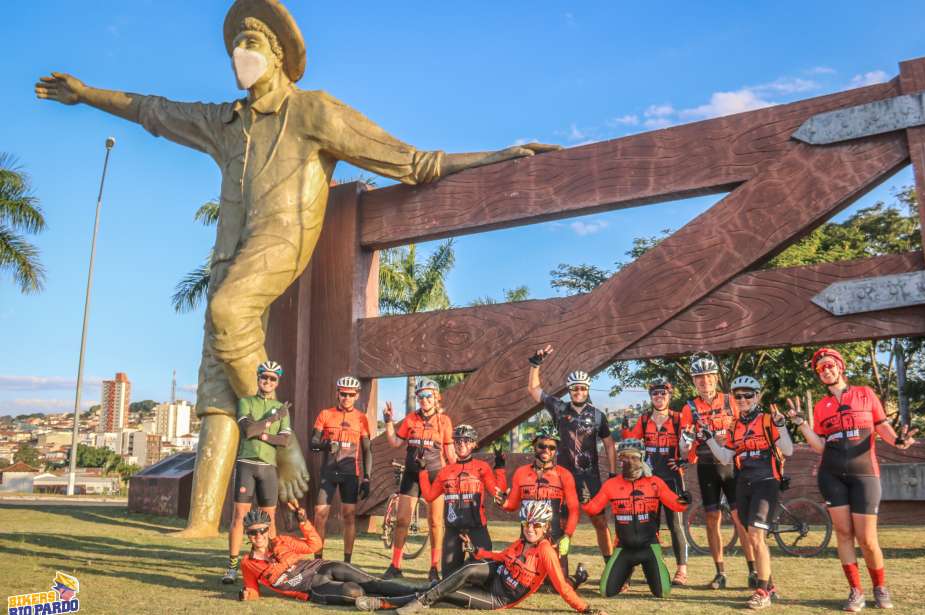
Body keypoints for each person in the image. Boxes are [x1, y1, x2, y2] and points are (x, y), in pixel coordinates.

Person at [35, 0, 559, 538]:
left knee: (227, 310)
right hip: (228, 255)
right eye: (236, 46)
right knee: (218, 389)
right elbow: (154, 110)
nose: (241, 55)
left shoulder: (312, 112)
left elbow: (408, 160)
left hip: (279, 240)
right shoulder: (226, 122)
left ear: (280, 55)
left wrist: (498, 155)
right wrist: (85, 94)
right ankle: (199, 525)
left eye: (253, 43)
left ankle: (282, 448)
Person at [786, 348, 916, 612]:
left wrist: (899, 442)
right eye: (820, 369)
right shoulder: (822, 407)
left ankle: (879, 587)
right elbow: (821, 446)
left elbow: (881, 427)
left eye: (830, 365)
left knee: (867, 539)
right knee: (844, 534)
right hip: (831, 475)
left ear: (840, 367)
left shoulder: (865, 393)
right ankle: (856, 591)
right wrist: (801, 424)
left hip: (865, 475)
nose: (826, 371)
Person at [355, 501, 606, 615]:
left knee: (442, 591)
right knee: (469, 568)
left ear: (545, 528)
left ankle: (385, 603)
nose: (530, 528)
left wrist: (587, 610)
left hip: (499, 596)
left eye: (536, 525)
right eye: (526, 523)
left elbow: (562, 587)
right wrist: (478, 552)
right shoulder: (520, 543)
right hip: (495, 574)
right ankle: (409, 603)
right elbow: (500, 557)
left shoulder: (545, 552)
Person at [702, 375, 794, 610]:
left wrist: (782, 426)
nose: (742, 399)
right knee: (754, 537)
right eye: (738, 396)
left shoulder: (767, 420)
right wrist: (710, 439)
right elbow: (725, 457)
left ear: (758, 396)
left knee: (754, 535)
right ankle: (770, 585)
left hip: (767, 482)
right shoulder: (734, 426)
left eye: (748, 395)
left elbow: (788, 450)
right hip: (744, 483)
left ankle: (762, 591)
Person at [527, 345, 616, 566]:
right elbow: (534, 390)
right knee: (563, 523)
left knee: (600, 522)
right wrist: (535, 364)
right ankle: (559, 569)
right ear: (569, 391)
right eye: (575, 389)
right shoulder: (559, 408)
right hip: (564, 477)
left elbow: (609, 444)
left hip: (591, 477)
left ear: (587, 390)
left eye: (582, 389)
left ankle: (611, 568)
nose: (578, 392)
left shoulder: (598, 415)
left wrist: (613, 473)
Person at [239, 501, 423, 604]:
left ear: (267, 530)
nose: (258, 536)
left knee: (371, 582)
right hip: (312, 587)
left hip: (321, 567)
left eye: (262, 530)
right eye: (253, 532)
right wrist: (247, 595)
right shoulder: (248, 563)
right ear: (248, 534)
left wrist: (304, 522)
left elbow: (315, 545)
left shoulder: (281, 541)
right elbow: (253, 590)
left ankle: (420, 591)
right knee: (354, 591)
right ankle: (404, 600)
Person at [678, 352, 756, 589]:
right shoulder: (689, 408)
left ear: (715, 378)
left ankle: (753, 570)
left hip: (732, 466)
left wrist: (729, 436)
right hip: (706, 467)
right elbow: (684, 448)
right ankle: (720, 572)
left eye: (708, 377)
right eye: (699, 378)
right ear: (694, 381)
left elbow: (748, 426)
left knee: (740, 519)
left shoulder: (730, 400)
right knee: (712, 519)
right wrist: (686, 441)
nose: (704, 382)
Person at [582, 439, 690, 599]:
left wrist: (685, 499)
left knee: (663, 592)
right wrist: (584, 500)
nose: (629, 461)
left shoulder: (655, 483)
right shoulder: (611, 485)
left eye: (634, 457)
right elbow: (594, 508)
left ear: (642, 458)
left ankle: (657, 566)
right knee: (606, 591)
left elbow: (677, 505)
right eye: (625, 457)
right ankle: (626, 573)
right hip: (623, 548)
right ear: (620, 460)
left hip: (649, 548)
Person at [223, 360, 291, 584]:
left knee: (270, 520)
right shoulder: (246, 402)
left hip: (268, 467)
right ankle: (232, 567)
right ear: (258, 378)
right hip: (247, 463)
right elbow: (249, 430)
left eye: (273, 378)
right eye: (264, 377)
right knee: (239, 517)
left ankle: (273, 564)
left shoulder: (283, 407)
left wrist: (264, 434)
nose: (268, 381)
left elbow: (285, 441)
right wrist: (272, 419)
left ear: (277, 382)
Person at [383, 378, 456, 581]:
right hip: (412, 475)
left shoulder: (444, 421)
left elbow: (450, 454)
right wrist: (388, 421)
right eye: (420, 396)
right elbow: (395, 442)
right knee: (402, 521)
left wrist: (457, 473)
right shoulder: (410, 419)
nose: (424, 400)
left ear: (436, 398)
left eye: (428, 396)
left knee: (434, 522)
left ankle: (434, 568)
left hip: (435, 476)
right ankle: (395, 566)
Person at [620, 375, 691, 585]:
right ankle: (656, 566)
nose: (659, 396)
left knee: (675, 524)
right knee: (649, 526)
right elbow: (631, 443)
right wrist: (625, 426)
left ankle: (681, 570)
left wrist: (684, 460)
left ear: (670, 395)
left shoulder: (678, 419)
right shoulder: (644, 419)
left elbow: (688, 445)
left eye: (663, 393)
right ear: (650, 397)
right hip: (649, 479)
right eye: (655, 393)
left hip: (672, 480)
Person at [499, 424, 587, 588]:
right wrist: (503, 502)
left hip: (554, 539)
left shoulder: (564, 475)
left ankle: (579, 576)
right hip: (528, 538)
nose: (546, 450)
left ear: (556, 450)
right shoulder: (521, 472)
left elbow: (574, 510)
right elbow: (511, 505)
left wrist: (567, 536)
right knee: (520, 583)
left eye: (552, 447)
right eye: (542, 445)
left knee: (557, 587)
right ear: (534, 445)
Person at [416, 424, 507, 577]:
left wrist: (499, 467)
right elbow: (429, 496)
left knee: (485, 574)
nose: (461, 444)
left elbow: (497, 492)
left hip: (477, 528)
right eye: (458, 440)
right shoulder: (445, 471)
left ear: (474, 443)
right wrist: (423, 471)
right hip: (453, 531)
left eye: (466, 440)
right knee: (449, 579)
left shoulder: (482, 467)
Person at [310, 375, 372, 563]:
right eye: (343, 394)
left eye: (350, 394)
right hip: (328, 473)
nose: (346, 398)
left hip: (350, 474)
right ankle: (318, 560)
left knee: (349, 516)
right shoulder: (325, 414)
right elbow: (312, 443)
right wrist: (326, 445)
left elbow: (367, 449)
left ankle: (348, 562)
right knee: (320, 515)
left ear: (357, 396)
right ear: (338, 394)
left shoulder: (361, 418)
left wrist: (367, 478)